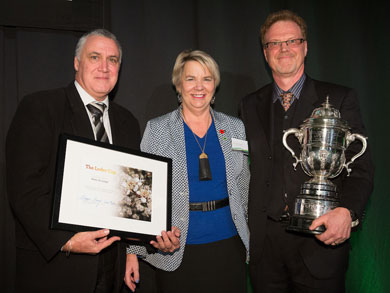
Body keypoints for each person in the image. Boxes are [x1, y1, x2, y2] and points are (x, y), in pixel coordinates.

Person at [6, 29, 178, 293]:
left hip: (111, 270)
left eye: (113, 60)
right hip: (57, 269)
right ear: (77, 63)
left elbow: (130, 198)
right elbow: (24, 190)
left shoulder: (127, 122)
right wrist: (67, 242)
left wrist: (142, 244)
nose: (104, 67)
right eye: (95, 57)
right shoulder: (41, 108)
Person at [240, 10, 374, 293]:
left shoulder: (340, 98)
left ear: (305, 46)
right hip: (266, 249)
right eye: (274, 43)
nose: (283, 49)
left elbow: (361, 168)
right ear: (265, 53)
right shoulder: (249, 105)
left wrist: (347, 212)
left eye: (292, 41)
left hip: (321, 244)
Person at [124, 49, 250, 293]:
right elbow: (140, 196)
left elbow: (243, 184)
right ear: (178, 85)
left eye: (207, 78)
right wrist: (133, 251)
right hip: (177, 248)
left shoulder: (234, 127)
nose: (199, 86)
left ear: (215, 85)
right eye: (191, 78)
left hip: (229, 246)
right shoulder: (158, 129)